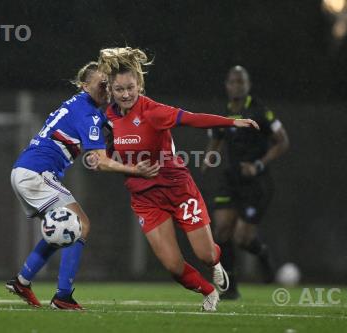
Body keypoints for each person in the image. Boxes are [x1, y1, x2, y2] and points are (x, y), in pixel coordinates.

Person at [93, 47, 259, 311]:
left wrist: (232, 122)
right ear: (111, 90)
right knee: (172, 265)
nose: (125, 94)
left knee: (205, 254)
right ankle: (208, 292)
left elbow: (192, 119)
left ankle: (216, 264)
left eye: (130, 88)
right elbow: (103, 155)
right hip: (145, 197)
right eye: (120, 89)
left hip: (177, 188)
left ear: (140, 86)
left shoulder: (152, 111)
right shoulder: (107, 119)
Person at [6, 61, 160, 310]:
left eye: (107, 85)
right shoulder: (86, 113)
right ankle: (62, 297)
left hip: (28, 171)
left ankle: (22, 281)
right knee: (80, 225)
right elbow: (99, 162)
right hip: (36, 173)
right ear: (84, 85)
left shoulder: (80, 106)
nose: (106, 89)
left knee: (64, 230)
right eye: (101, 84)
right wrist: (134, 169)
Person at [202, 66, 290, 300]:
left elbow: (282, 142)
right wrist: (209, 156)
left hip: (256, 182)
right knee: (221, 230)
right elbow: (216, 138)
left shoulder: (260, 111)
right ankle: (230, 287)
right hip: (231, 179)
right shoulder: (224, 113)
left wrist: (259, 165)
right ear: (227, 85)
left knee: (243, 238)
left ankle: (262, 254)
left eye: (241, 82)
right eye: (233, 81)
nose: (237, 85)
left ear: (248, 85)